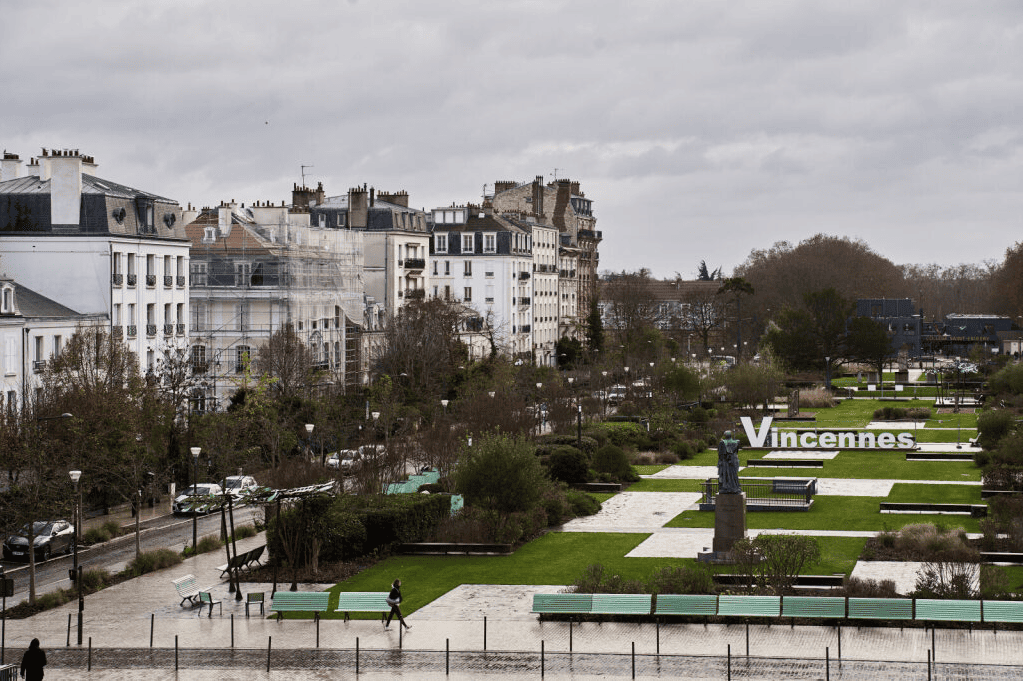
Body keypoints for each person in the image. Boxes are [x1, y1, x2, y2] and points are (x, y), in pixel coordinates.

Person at [717, 430, 742, 495]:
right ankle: (734, 487)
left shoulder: (722, 443)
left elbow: (720, 454)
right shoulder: (736, 442)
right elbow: (736, 452)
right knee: (733, 475)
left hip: (726, 462)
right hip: (734, 461)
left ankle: (727, 487)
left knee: (726, 475)